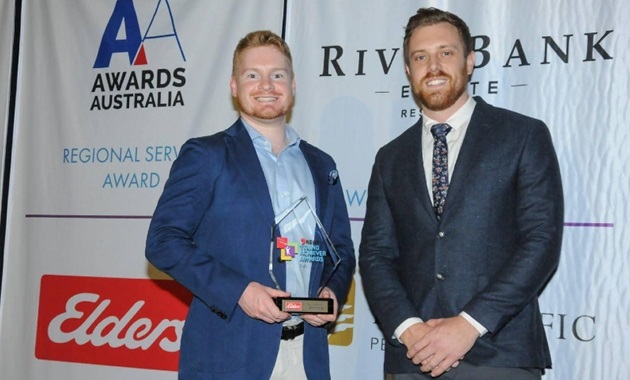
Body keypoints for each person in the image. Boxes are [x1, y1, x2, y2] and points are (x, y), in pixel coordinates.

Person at [359, 7, 563, 380]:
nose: (432, 66)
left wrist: (469, 325)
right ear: (408, 70)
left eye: (446, 53)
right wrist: (409, 329)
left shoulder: (522, 136)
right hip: (411, 359)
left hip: (499, 356)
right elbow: (375, 255)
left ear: (469, 61)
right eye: (420, 57)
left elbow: (541, 241)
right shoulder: (389, 158)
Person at [145, 30, 355, 380]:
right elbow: (163, 241)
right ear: (233, 85)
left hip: (309, 356)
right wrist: (240, 291)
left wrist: (331, 290)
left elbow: (341, 248)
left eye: (277, 75)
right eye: (252, 75)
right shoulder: (207, 155)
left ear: (293, 83)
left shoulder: (322, 165)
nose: (266, 85)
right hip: (230, 354)